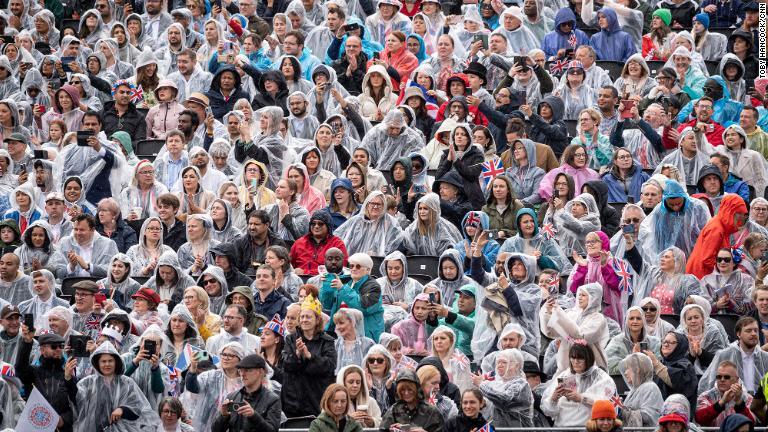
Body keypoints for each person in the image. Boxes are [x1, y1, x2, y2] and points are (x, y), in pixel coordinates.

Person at [74, 342, 161, 430]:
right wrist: (68, 379)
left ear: (116, 362)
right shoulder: (88, 383)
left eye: (110, 361)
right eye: (103, 361)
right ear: (97, 363)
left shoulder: (127, 383)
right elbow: (76, 401)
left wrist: (122, 410)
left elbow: (137, 409)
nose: (107, 364)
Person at [281, 295, 337, 421]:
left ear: (317, 320)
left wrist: (309, 356)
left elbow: (329, 366)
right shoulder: (291, 339)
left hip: (317, 397)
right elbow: (285, 363)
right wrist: (297, 354)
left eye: (308, 317)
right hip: (293, 399)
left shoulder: (327, 341)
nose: (304, 320)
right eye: (302, 317)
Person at [15, 329, 77, 432]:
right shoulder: (33, 372)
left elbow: (77, 403)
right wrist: (26, 343)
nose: (58, 349)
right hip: (35, 426)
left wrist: (64, 419)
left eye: (60, 346)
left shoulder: (68, 375)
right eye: (53, 346)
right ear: (42, 350)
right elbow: (20, 368)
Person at [541, 343, 617, 426]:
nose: (576, 362)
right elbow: (549, 411)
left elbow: (607, 406)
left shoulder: (601, 377)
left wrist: (581, 398)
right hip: (562, 427)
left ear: (588, 359)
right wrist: (553, 399)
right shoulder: (565, 375)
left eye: (580, 358)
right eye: (573, 358)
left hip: (587, 427)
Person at [540, 283, 609, 374]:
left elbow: (580, 336)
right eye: (579, 295)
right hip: (566, 367)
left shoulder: (598, 318)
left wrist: (558, 312)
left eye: (583, 295)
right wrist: (548, 312)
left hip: (589, 367)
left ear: (594, 298)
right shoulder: (570, 314)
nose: (579, 297)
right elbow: (550, 332)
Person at [210, 353, 283, 432]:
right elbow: (215, 430)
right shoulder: (232, 396)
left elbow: (272, 430)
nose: (243, 374)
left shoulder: (272, 400)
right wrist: (223, 416)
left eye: (248, 370)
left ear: (261, 372)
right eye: (241, 370)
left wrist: (253, 416)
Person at [698, 317, 768, 396]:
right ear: (738, 334)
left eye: (756, 330)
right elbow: (707, 384)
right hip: (730, 404)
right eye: (748, 331)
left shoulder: (765, 358)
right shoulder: (724, 355)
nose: (753, 333)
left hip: (759, 405)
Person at [687, 194, 748, 279]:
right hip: (702, 276)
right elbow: (707, 259)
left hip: (706, 275)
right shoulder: (716, 229)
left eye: (743, 214)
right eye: (738, 213)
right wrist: (728, 268)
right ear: (729, 212)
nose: (741, 218)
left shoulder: (722, 226)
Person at [380, 369, 444, 432]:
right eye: (402, 390)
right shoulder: (394, 410)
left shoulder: (432, 412)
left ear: (417, 389)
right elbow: (382, 429)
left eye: (410, 389)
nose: (406, 393)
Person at [695, 360, 756, 426]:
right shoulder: (706, 396)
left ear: (736, 379)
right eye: (719, 377)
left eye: (727, 377)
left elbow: (751, 423)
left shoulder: (747, 398)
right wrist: (721, 402)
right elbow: (699, 419)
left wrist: (739, 402)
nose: (722, 380)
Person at [58, 213, 119, 278]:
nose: (78, 233)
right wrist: (71, 267)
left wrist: (89, 267)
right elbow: (58, 272)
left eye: (82, 230)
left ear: (92, 230)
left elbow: (114, 271)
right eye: (75, 229)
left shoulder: (108, 244)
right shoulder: (65, 243)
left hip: (98, 285)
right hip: (69, 285)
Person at [678, 302, 729, 374]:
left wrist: (701, 353)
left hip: (711, 373)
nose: (693, 321)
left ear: (702, 319)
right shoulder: (679, 335)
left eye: (696, 317)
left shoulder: (712, 332)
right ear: (685, 321)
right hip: (686, 374)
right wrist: (691, 356)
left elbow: (719, 360)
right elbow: (677, 363)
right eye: (689, 319)